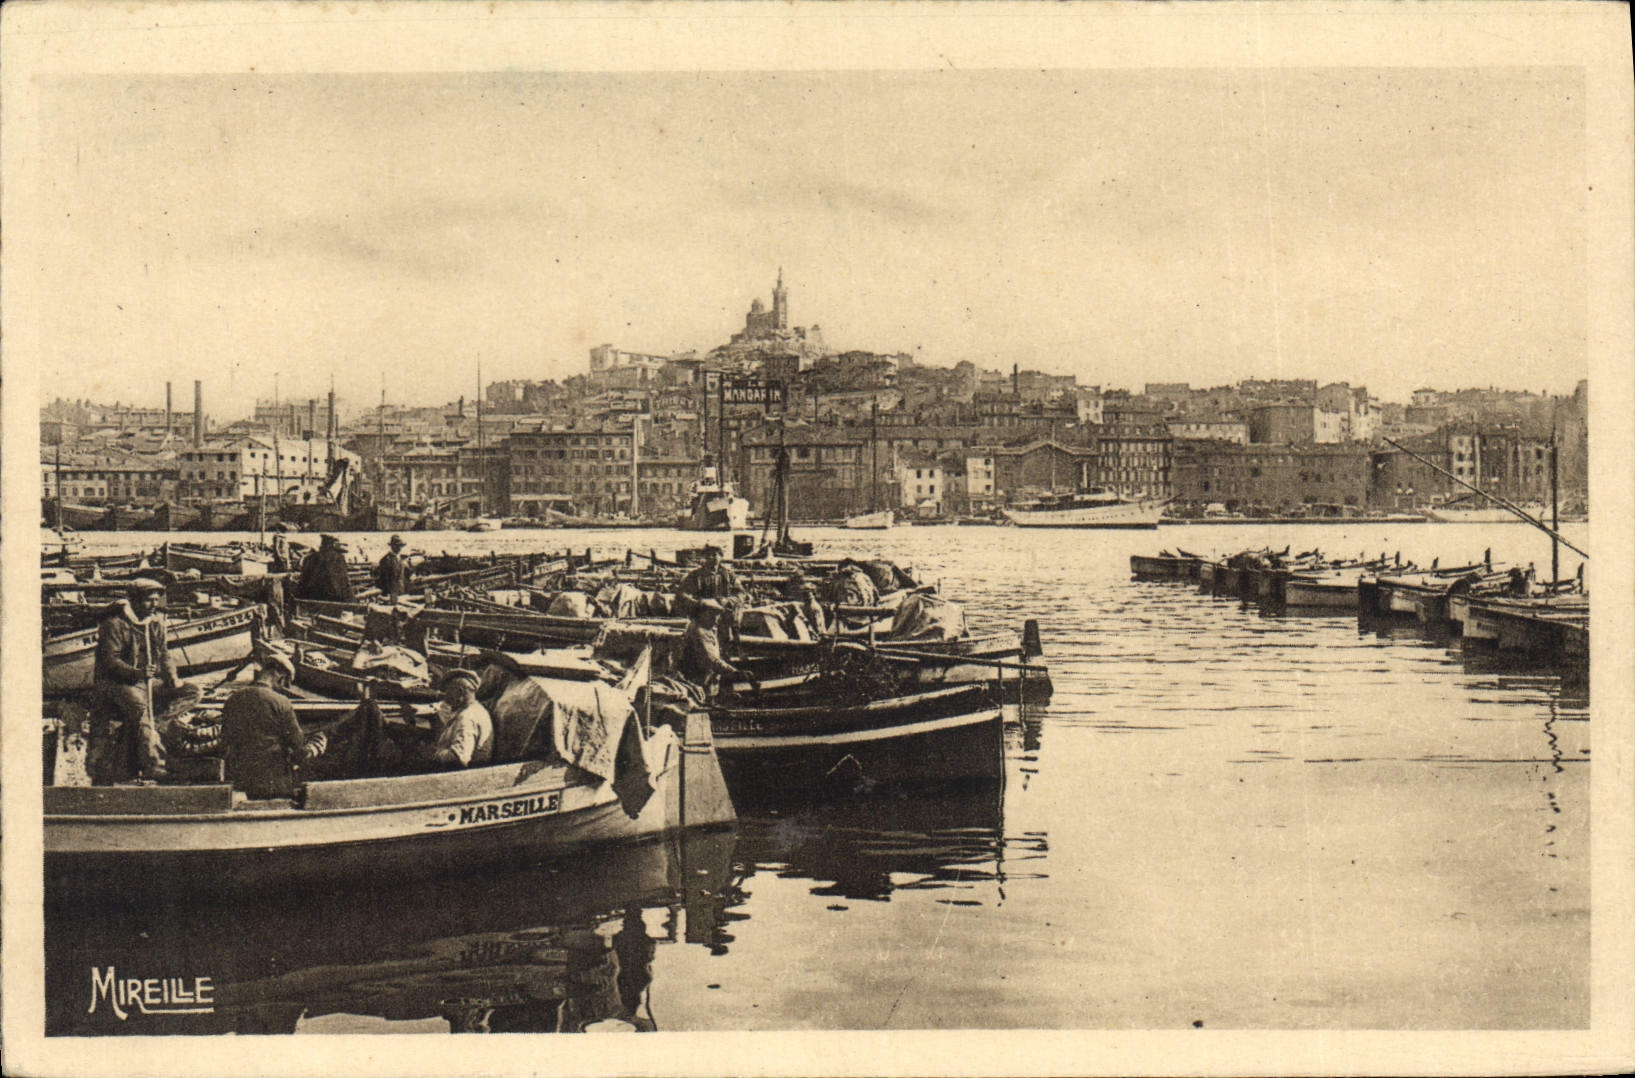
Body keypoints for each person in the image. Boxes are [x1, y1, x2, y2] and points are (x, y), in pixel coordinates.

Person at [90, 578, 181, 782]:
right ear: (134, 601)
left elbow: (164, 654)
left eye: (156, 600)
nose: (154, 605)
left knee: (191, 692)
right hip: (116, 683)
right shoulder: (114, 624)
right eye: (149, 600)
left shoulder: (155, 624)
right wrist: (137, 673)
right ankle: (153, 763)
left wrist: (172, 678)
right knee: (139, 708)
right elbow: (110, 661)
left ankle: (154, 728)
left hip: (145, 681)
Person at [219, 651, 328, 800]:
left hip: (239, 779)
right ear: (279, 675)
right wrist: (315, 746)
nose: (283, 687)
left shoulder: (232, 699)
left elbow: (225, 741)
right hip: (272, 781)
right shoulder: (281, 702)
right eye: (285, 683)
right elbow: (299, 750)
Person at [675, 600, 757, 695]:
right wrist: (735, 673)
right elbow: (711, 660)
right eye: (712, 615)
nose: (716, 620)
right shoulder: (699, 632)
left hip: (706, 682)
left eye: (717, 616)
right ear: (702, 614)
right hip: (698, 683)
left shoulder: (706, 629)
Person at [427, 669, 494, 769]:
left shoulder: (467, 718)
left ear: (460, 692)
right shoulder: (476, 710)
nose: (446, 697)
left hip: (465, 774)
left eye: (449, 692)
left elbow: (458, 757)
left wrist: (433, 754)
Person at [675, 545, 739, 614]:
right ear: (705, 557)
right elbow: (681, 593)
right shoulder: (696, 575)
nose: (711, 557)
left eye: (715, 555)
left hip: (725, 610)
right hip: (703, 611)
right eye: (708, 555)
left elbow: (741, 592)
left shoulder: (728, 575)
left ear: (721, 557)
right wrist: (697, 603)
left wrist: (728, 601)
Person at [294, 533, 356, 603]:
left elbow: (302, 583)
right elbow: (344, 583)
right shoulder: (338, 558)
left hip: (309, 597)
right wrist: (353, 602)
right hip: (332, 598)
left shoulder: (308, 558)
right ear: (333, 544)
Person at [376, 534, 412, 600]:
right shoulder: (386, 560)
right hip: (391, 594)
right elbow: (384, 580)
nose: (399, 548)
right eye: (397, 546)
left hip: (401, 591)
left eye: (400, 546)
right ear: (392, 546)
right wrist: (387, 593)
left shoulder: (400, 559)